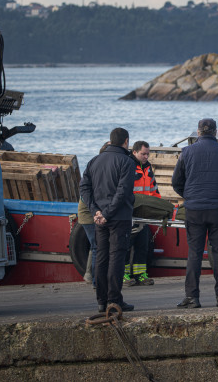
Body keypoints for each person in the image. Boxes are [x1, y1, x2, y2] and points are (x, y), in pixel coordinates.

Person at [171, 118, 218, 308]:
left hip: (194, 209)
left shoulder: (187, 152)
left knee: (194, 254)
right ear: (215, 132)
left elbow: (176, 182)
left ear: (198, 132)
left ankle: (192, 297)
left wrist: (189, 195)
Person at [80, 128, 136, 313]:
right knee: (117, 258)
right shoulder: (127, 162)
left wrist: (96, 211)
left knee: (102, 257)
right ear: (126, 141)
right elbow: (123, 191)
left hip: (99, 217)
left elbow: (84, 188)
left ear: (110, 141)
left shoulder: (94, 161)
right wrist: (108, 213)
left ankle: (101, 301)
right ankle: (114, 300)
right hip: (118, 217)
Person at [124, 140, 159, 287]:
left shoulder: (148, 168)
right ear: (134, 152)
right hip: (130, 213)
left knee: (143, 245)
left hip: (143, 214)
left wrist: (158, 207)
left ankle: (140, 274)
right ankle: (123, 275)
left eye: (147, 154)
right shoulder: (128, 166)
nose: (146, 156)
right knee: (125, 245)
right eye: (143, 154)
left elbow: (154, 189)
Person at [78, 142, 110, 286]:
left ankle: (90, 275)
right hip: (88, 214)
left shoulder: (96, 166)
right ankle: (97, 281)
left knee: (96, 245)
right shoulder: (96, 167)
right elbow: (87, 193)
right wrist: (96, 211)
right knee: (97, 245)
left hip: (94, 211)